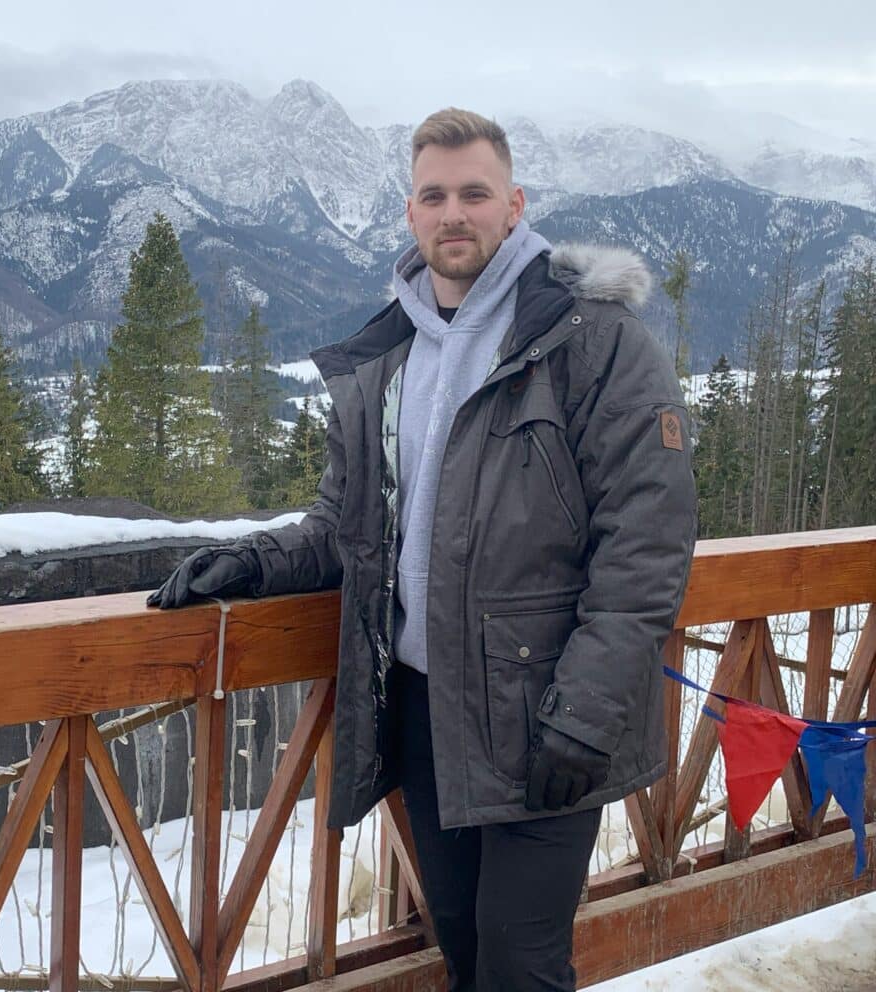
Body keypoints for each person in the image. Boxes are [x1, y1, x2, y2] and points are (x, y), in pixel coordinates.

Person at [149, 108, 697, 991]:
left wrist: (585, 716)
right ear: (409, 214)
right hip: (424, 712)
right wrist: (256, 562)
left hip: (546, 714)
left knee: (521, 969)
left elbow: (646, 547)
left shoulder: (592, 342)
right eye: (434, 195)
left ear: (514, 206)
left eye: (474, 193)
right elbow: (348, 524)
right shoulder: (392, 354)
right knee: (466, 952)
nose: (455, 213)